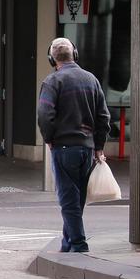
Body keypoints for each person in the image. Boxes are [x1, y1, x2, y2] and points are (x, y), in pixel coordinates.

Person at [37, 38, 109, 253]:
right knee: (77, 199)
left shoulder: (52, 81)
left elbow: (44, 115)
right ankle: (67, 243)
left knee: (68, 199)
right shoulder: (91, 79)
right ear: (74, 54)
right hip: (86, 147)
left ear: (52, 59)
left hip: (64, 146)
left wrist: (49, 138)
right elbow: (103, 116)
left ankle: (78, 243)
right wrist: (98, 145)